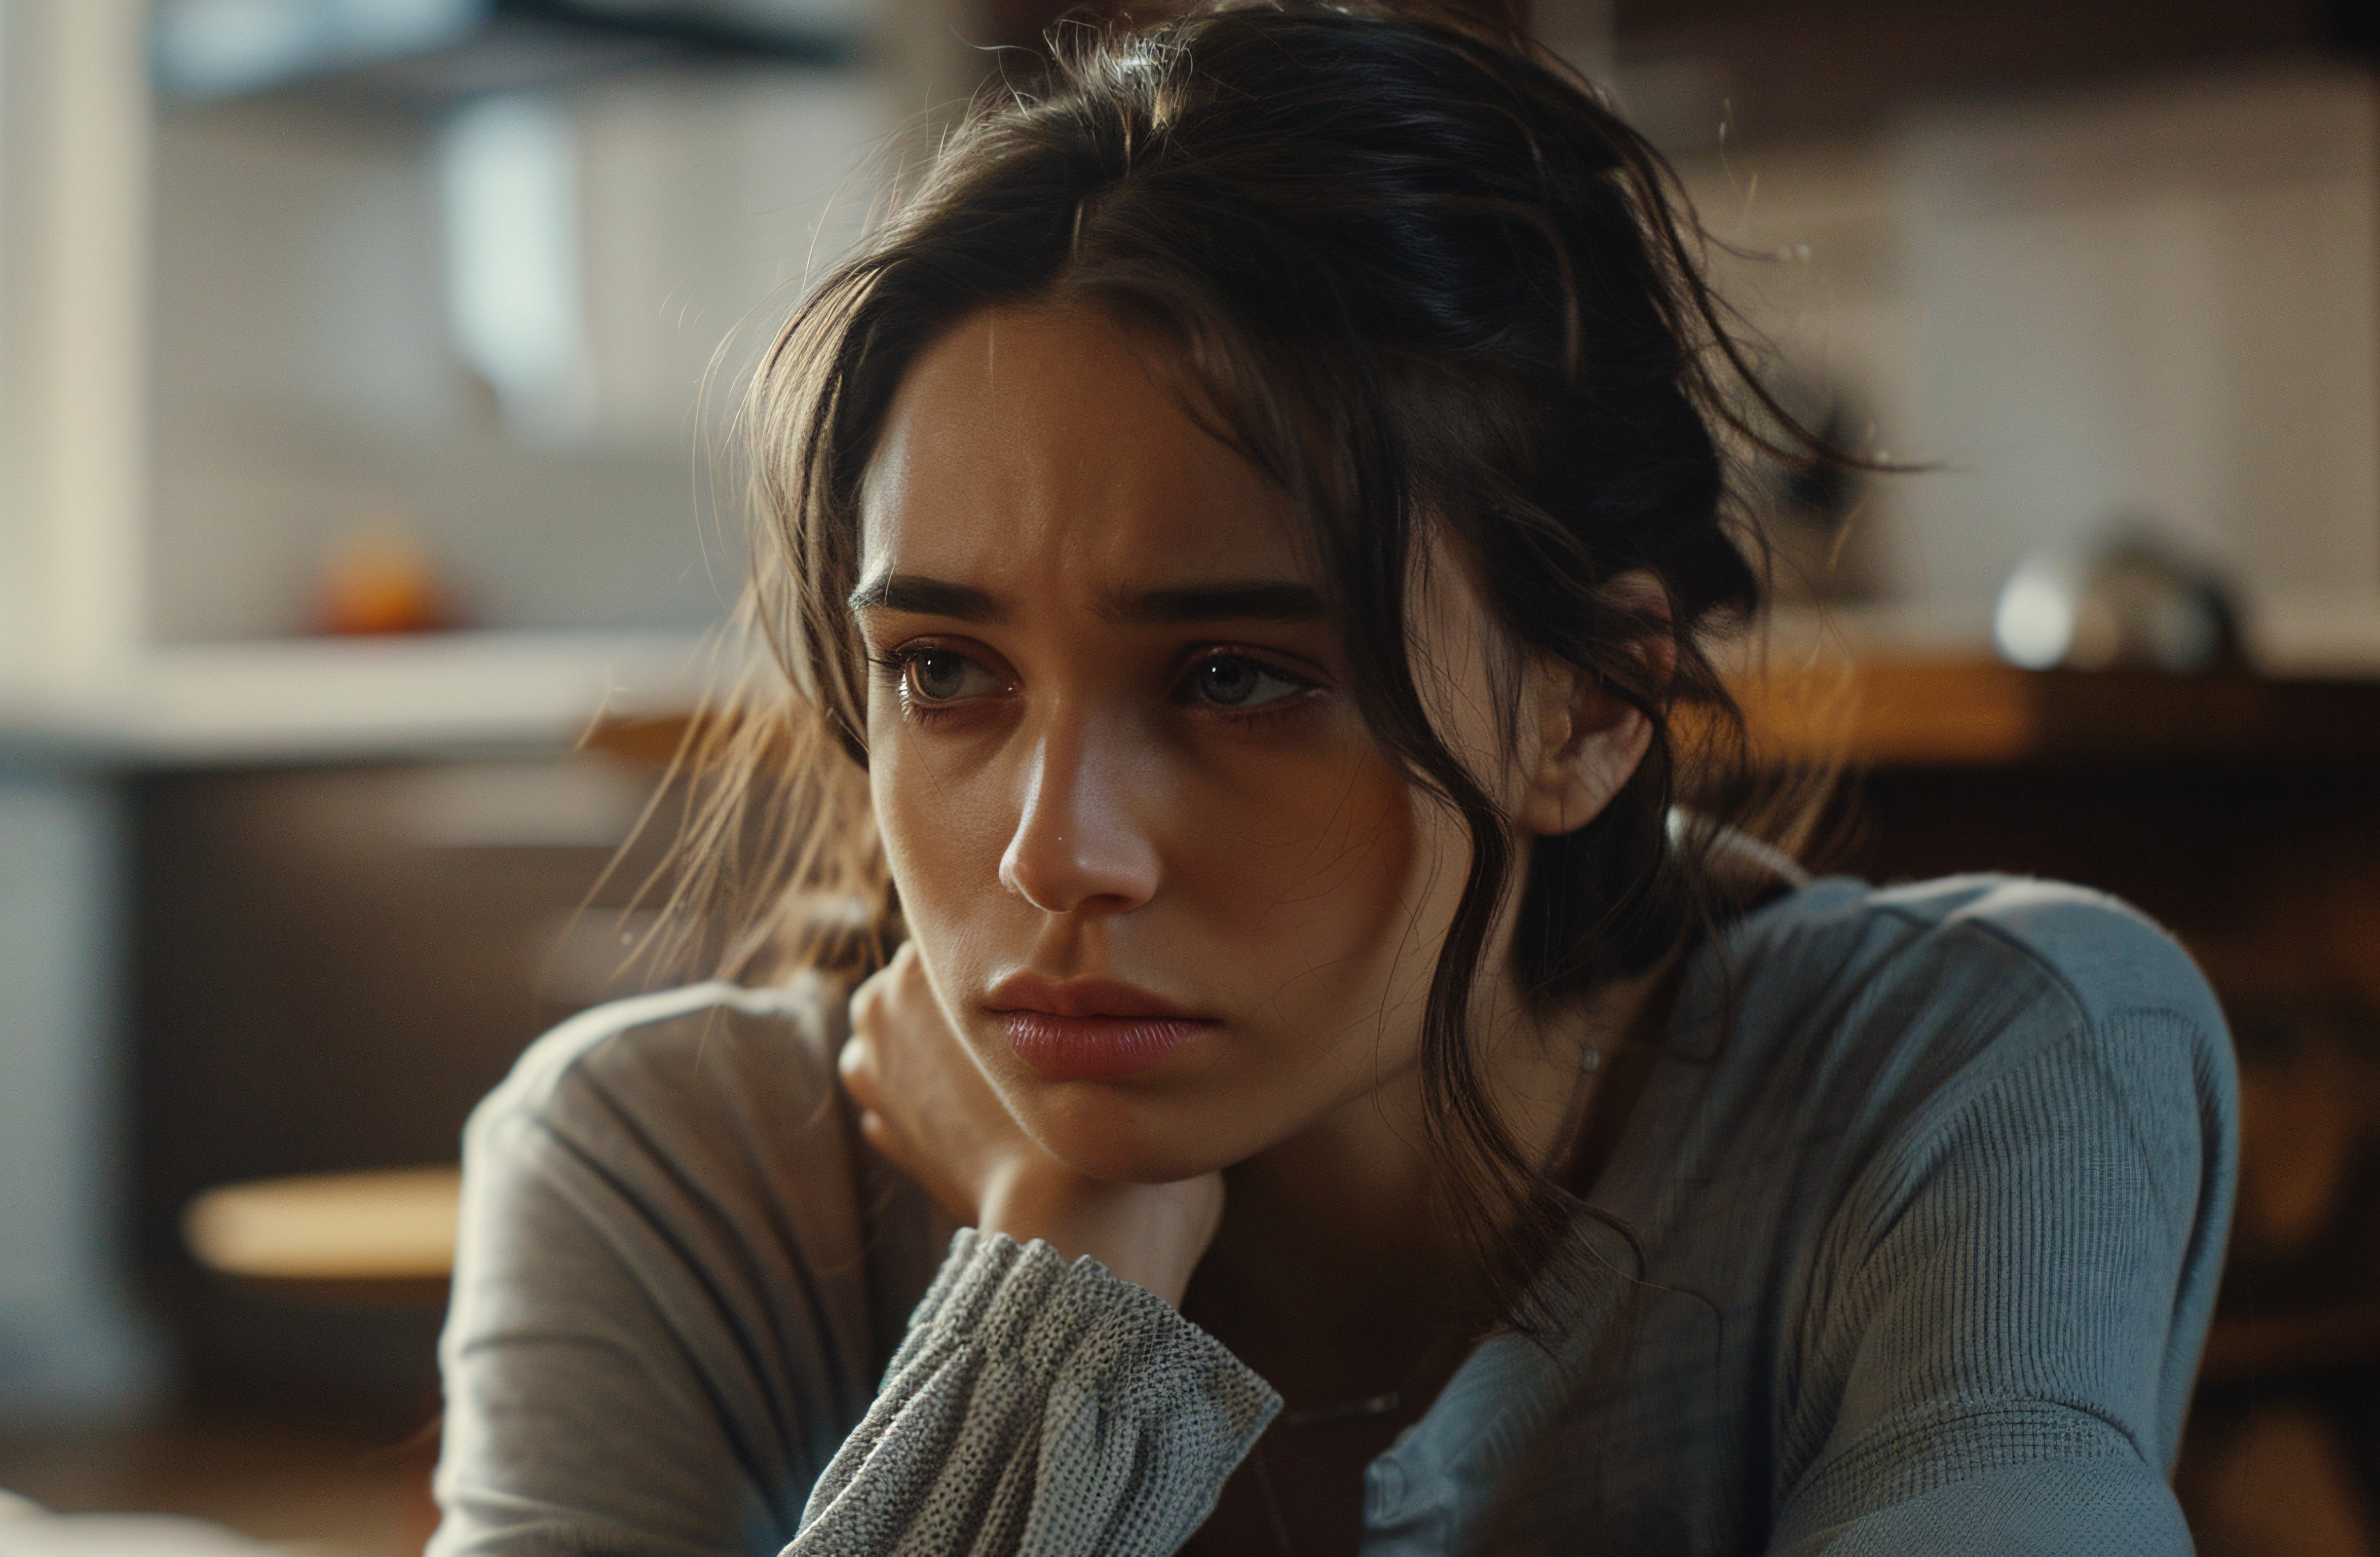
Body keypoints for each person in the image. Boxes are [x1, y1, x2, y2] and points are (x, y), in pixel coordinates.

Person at [429, 4, 2239, 1552]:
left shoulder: (1973, 1075)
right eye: (945, 672)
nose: (1061, 854)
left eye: (1236, 678)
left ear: (1595, 703)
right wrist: (1061, 1302)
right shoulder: (672, 1172)